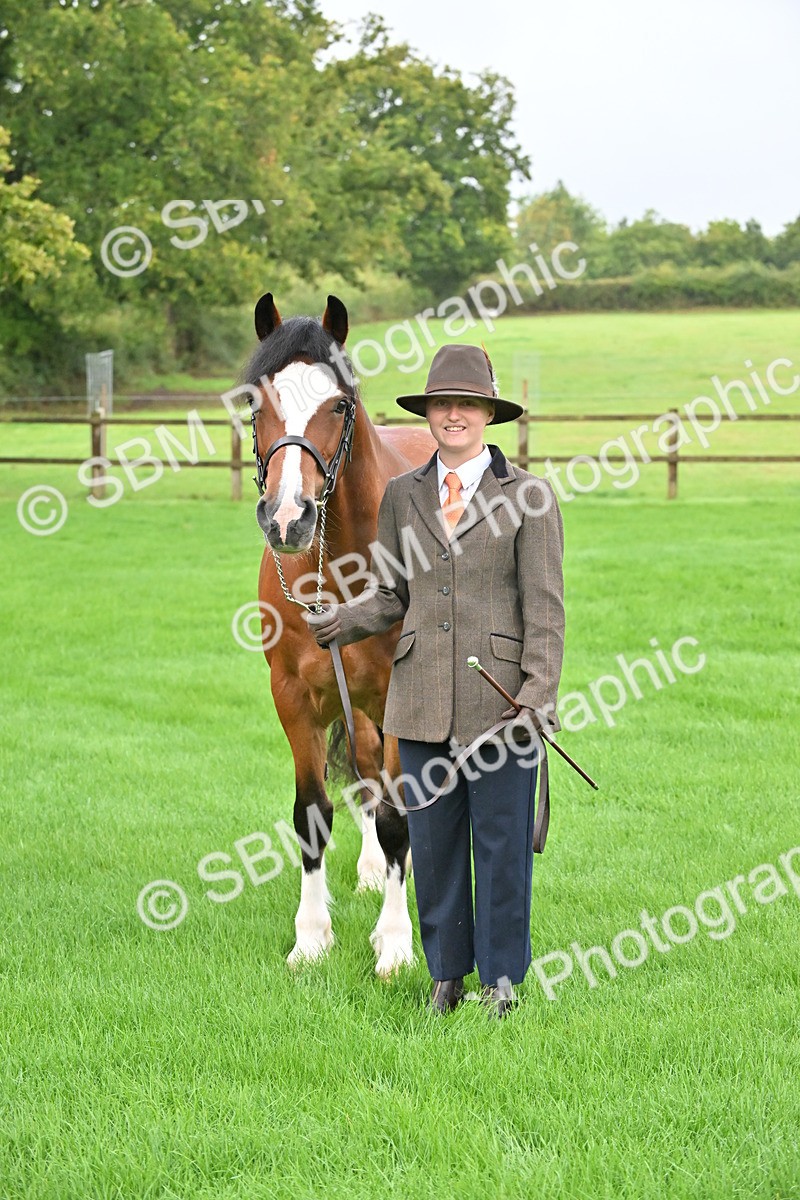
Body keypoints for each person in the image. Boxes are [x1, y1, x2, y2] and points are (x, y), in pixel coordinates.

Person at [307, 344, 565, 1018]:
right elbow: (393, 595)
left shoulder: (529, 497)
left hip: (502, 703)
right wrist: (341, 618)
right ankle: (448, 976)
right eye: (442, 405)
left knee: (503, 849)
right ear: (430, 414)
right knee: (437, 844)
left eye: (467, 404)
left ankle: (501, 980)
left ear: (487, 414)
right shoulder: (403, 495)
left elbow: (545, 610)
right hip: (417, 701)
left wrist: (537, 699)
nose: (454, 415)